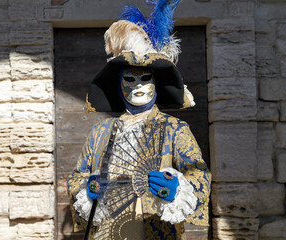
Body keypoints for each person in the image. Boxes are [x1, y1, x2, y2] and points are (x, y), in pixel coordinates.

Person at [67, 1, 211, 239]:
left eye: (145, 78)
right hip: (107, 230)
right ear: (119, 85)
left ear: (155, 83)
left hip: (156, 227)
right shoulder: (100, 131)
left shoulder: (175, 129)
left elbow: (200, 175)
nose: (138, 86)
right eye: (130, 79)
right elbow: (78, 175)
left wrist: (178, 190)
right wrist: (89, 188)